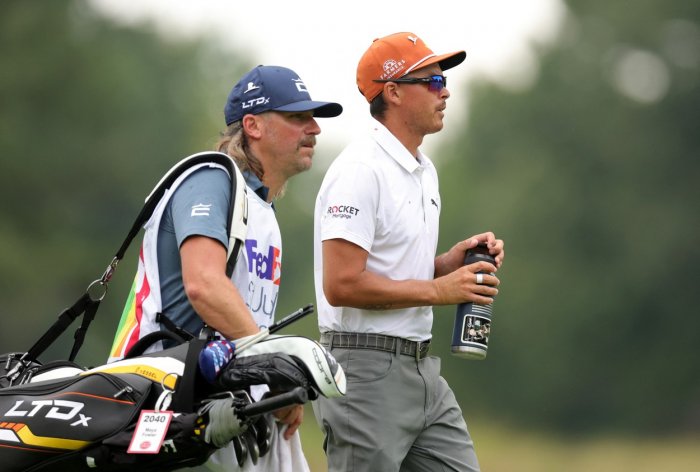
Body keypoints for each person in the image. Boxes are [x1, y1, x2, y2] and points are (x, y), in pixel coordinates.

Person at [108, 65, 342, 471]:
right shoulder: (211, 179)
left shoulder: (262, 204)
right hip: (159, 396)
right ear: (252, 125)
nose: (314, 128)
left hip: (215, 400)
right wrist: (276, 369)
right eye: (297, 117)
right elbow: (204, 285)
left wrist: (270, 386)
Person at [312, 32, 505, 472]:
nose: (446, 91)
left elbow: (392, 272)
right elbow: (342, 284)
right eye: (433, 82)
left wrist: (447, 264)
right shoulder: (360, 170)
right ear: (394, 92)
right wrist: (441, 289)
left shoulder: (423, 171)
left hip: (420, 369)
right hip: (363, 370)